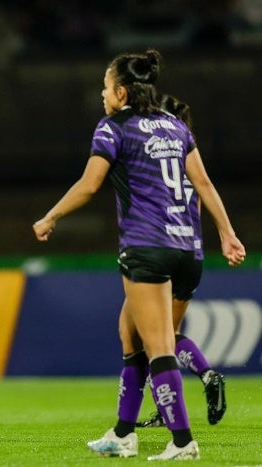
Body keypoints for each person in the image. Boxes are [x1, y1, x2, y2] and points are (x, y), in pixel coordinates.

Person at [32, 50, 246, 460]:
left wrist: (50, 216)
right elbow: (202, 181)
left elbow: (90, 184)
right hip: (189, 249)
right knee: (130, 334)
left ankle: (183, 442)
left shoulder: (113, 128)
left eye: (106, 85)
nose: (102, 92)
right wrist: (228, 233)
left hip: (147, 246)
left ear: (122, 92)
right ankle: (123, 433)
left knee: (159, 347)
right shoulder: (174, 126)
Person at [134, 95, 225, 429]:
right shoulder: (190, 164)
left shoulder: (155, 160)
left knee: (153, 339)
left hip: (160, 251)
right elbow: (199, 206)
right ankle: (207, 373)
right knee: (168, 334)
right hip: (191, 251)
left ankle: (167, 411)